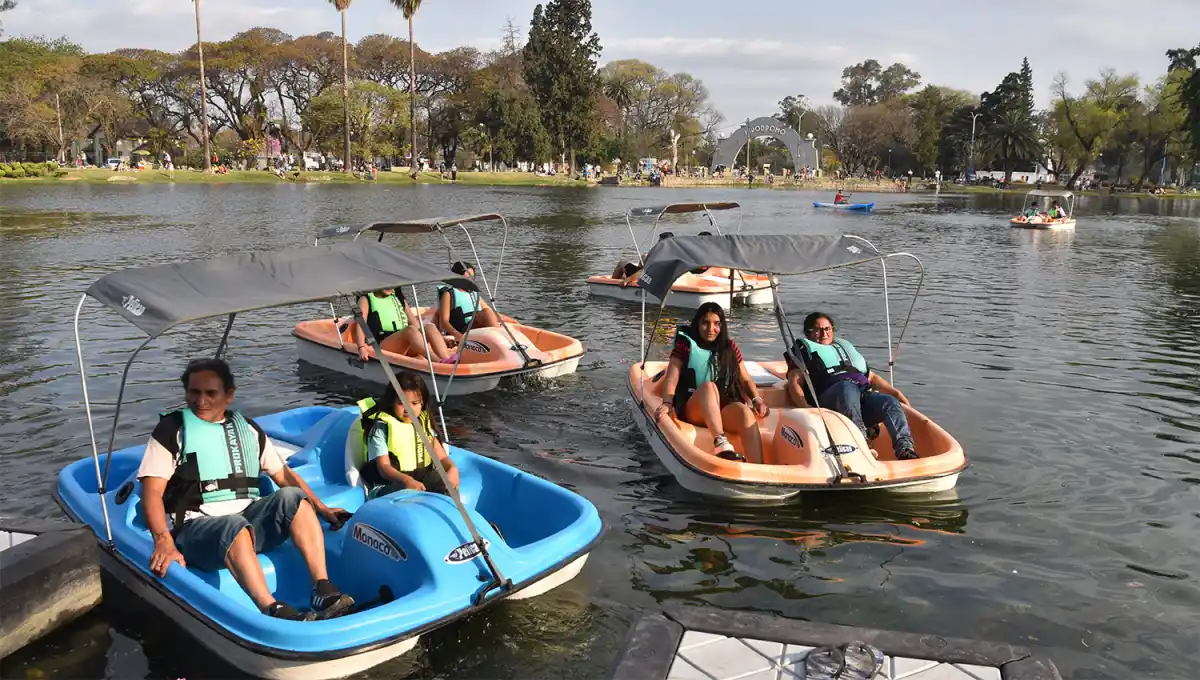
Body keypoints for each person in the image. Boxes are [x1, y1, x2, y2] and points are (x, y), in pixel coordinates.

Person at [137, 359, 354, 621]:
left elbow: (284, 476)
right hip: (197, 529)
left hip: (248, 521)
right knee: (234, 526)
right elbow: (151, 492)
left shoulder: (247, 429)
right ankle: (272, 610)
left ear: (229, 395)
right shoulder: (172, 430)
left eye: (210, 393)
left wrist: (321, 508)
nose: (200, 400)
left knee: (294, 498)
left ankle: (323, 589)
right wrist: (163, 541)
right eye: (194, 392)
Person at [784, 313, 919, 461]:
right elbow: (794, 382)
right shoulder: (804, 351)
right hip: (831, 397)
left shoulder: (844, 347)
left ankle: (905, 450)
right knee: (846, 389)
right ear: (808, 333)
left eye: (827, 329)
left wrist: (897, 395)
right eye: (818, 330)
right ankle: (863, 444)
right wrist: (807, 408)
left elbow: (872, 378)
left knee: (890, 402)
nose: (824, 333)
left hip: (860, 394)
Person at [654, 302, 769, 463]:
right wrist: (667, 403)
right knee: (709, 387)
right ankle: (720, 443)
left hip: (722, 407)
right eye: (705, 323)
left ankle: (759, 470)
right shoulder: (685, 345)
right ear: (697, 323)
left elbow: (746, 379)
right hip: (692, 407)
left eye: (716, 324)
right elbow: (672, 377)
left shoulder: (730, 347)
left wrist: (757, 400)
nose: (710, 329)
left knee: (745, 413)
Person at [351, 372, 459, 498]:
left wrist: (452, 469)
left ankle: (452, 514)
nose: (408, 409)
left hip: (421, 479)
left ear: (422, 403)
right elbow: (383, 467)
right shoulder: (381, 428)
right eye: (401, 403)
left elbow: (441, 458)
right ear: (392, 402)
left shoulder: (423, 422)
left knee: (448, 484)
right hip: (391, 483)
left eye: (414, 403)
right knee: (406, 495)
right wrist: (406, 481)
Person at [353, 288, 456, 364]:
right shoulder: (366, 299)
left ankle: (448, 360)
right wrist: (361, 347)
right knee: (410, 330)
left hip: (405, 341)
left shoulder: (398, 297)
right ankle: (438, 362)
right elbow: (360, 324)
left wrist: (441, 338)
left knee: (430, 327)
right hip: (383, 344)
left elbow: (416, 325)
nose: (390, 286)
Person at [436, 261, 501, 342]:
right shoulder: (448, 294)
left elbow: (488, 311)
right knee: (487, 312)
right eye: (468, 278)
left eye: (472, 278)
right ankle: (499, 339)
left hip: (477, 326)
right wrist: (458, 335)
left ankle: (498, 338)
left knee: (488, 311)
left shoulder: (474, 293)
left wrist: (509, 320)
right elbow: (444, 322)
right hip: (463, 329)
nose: (470, 280)